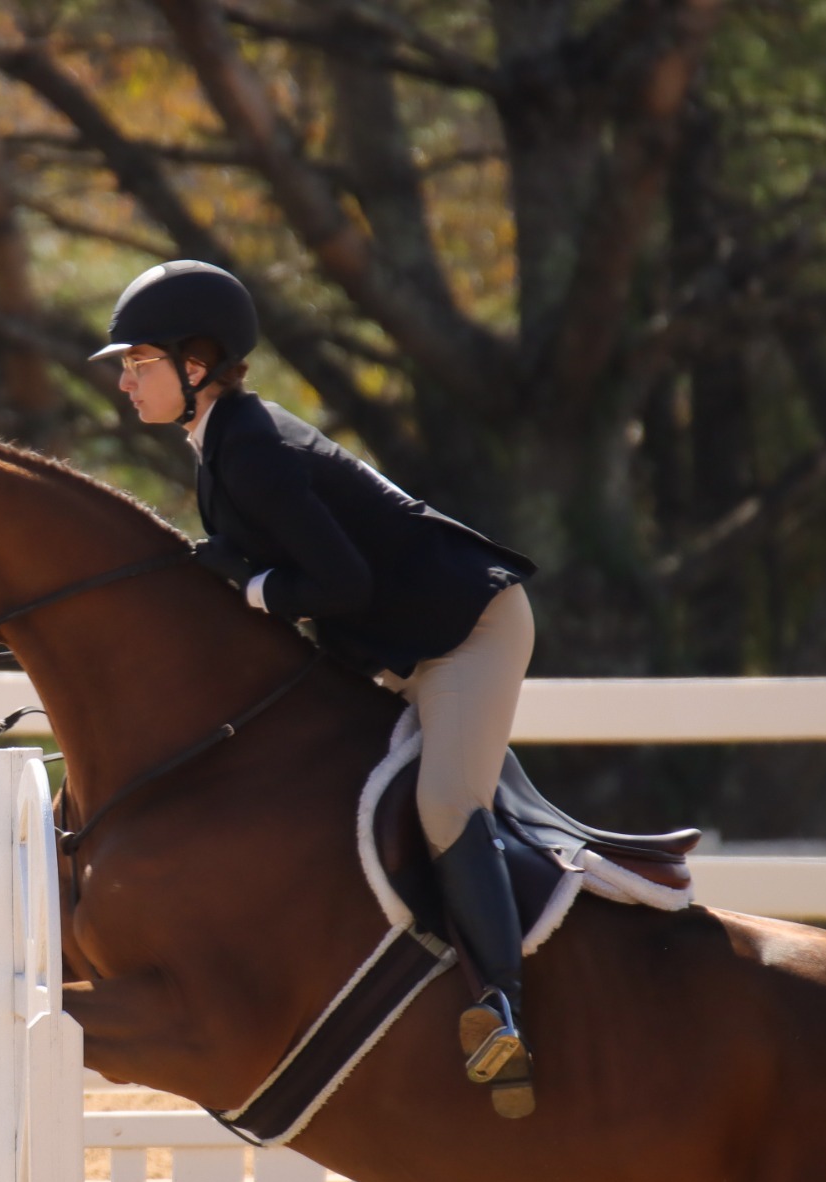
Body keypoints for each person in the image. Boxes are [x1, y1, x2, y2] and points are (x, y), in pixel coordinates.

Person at [93, 260, 542, 1116]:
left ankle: (502, 1009)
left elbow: (342, 584)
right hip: (391, 635)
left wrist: (251, 585)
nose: (123, 381)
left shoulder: (252, 447)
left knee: (447, 805)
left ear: (196, 364)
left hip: (464, 630)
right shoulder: (222, 443)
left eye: (138, 362)